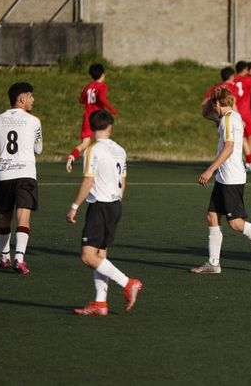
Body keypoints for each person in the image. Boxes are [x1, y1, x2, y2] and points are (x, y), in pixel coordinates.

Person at [191, 86, 251, 275]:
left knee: (236, 223)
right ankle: (213, 263)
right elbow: (206, 114)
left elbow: (229, 148)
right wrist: (211, 101)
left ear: (217, 103)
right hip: (226, 177)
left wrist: (210, 170)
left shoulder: (227, 120)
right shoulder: (234, 116)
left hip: (230, 179)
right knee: (212, 216)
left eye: (214, 104)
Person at [67, 110, 142, 316]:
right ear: (110, 127)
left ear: (92, 128)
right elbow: (123, 180)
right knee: (100, 255)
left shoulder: (93, 150)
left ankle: (128, 283)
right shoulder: (120, 149)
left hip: (99, 206)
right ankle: (100, 303)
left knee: (88, 256)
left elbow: (88, 180)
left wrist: (74, 206)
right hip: (115, 204)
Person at [0, 82, 42, 275]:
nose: (32, 99)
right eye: (30, 96)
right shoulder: (34, 121)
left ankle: (4, 257)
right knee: (23, 216)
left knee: (4, 215)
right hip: (26, 173)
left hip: (4, 173)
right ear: (21, 99)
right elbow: (38, 149)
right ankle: (19, 259)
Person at [67, 63, 118, 172]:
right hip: (98, 117)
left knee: (85, 143)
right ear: (103, 74)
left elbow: (81, 100)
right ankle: (104, 164)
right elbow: (102, 99)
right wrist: (112, 110)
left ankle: (72, 157)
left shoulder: (87, 87)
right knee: (103, 140)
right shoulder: (102, 86)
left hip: (87, 117)